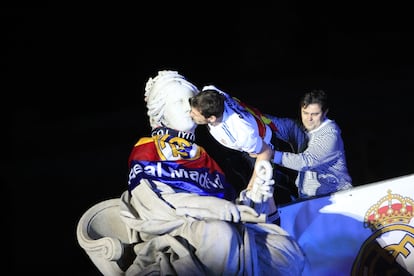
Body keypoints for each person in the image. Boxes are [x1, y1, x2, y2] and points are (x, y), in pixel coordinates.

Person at [119, 70, 306, 275]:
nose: (186, 107)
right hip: (184, 231)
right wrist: (213, 208)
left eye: (189, 100)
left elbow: (234, 208)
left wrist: (256, 194)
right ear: (160, 113)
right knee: (220, 235)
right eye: (177, 102)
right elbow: (152, 203)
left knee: (287, 251)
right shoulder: (147, 148)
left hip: (222, 228)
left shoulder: (203, 155)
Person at [189, 85, 309, 204]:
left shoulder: (240, 134)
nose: (190, 115)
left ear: (212, 118)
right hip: (252, 127)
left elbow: (265, 152)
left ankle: (294, 194)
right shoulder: (211, 91)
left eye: (194, 114)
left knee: (267, 182)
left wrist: (251, 187)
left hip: (262, 146)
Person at [272, 89, 353, 198]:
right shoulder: (301, 129)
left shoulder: (330, 134)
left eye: (315, 114)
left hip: (337, 198)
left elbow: (306, 161)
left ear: (325, 112)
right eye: (305, 113)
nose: (309, 118)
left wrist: (272, 154)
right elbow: (272, 123)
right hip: (310, 201)